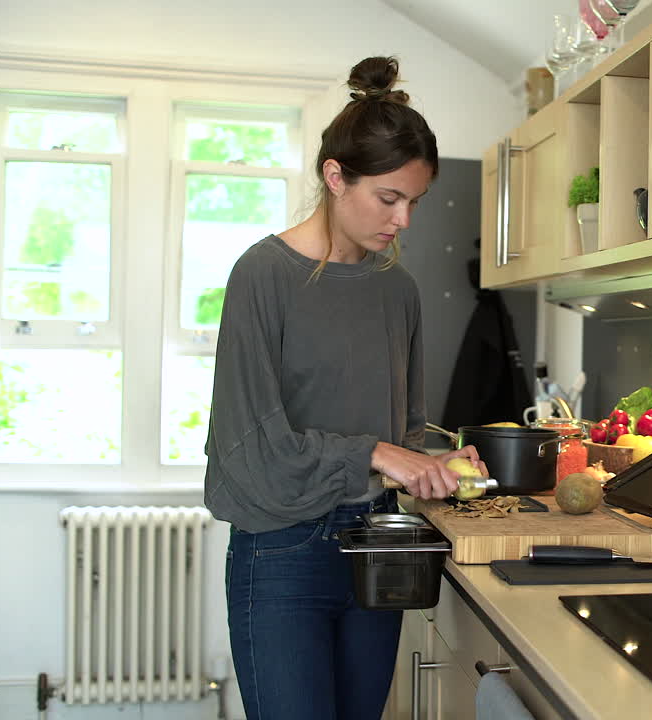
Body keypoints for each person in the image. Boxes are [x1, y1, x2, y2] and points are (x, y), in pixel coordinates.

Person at [203, 55, 485, 720]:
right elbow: (252, 448)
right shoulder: (261, 276)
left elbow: (402, 432)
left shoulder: (398, 290)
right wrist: (373, 452)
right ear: (335, 176)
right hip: (280, 555)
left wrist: (433, 465)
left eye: (414, 202)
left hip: (377, 547)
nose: (404, 221)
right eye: (389, 199)